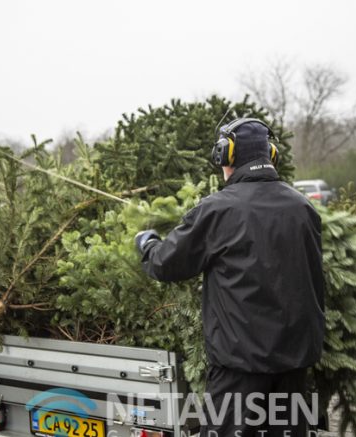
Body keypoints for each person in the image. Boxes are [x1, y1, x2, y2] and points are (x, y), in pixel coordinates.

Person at [135, 119, 325, 437]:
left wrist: (147, 244)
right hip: (294, 365)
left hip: (239, 371)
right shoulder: (302, 207)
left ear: (227, 155)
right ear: (271, 154)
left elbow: (166, 264)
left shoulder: (218, 210)